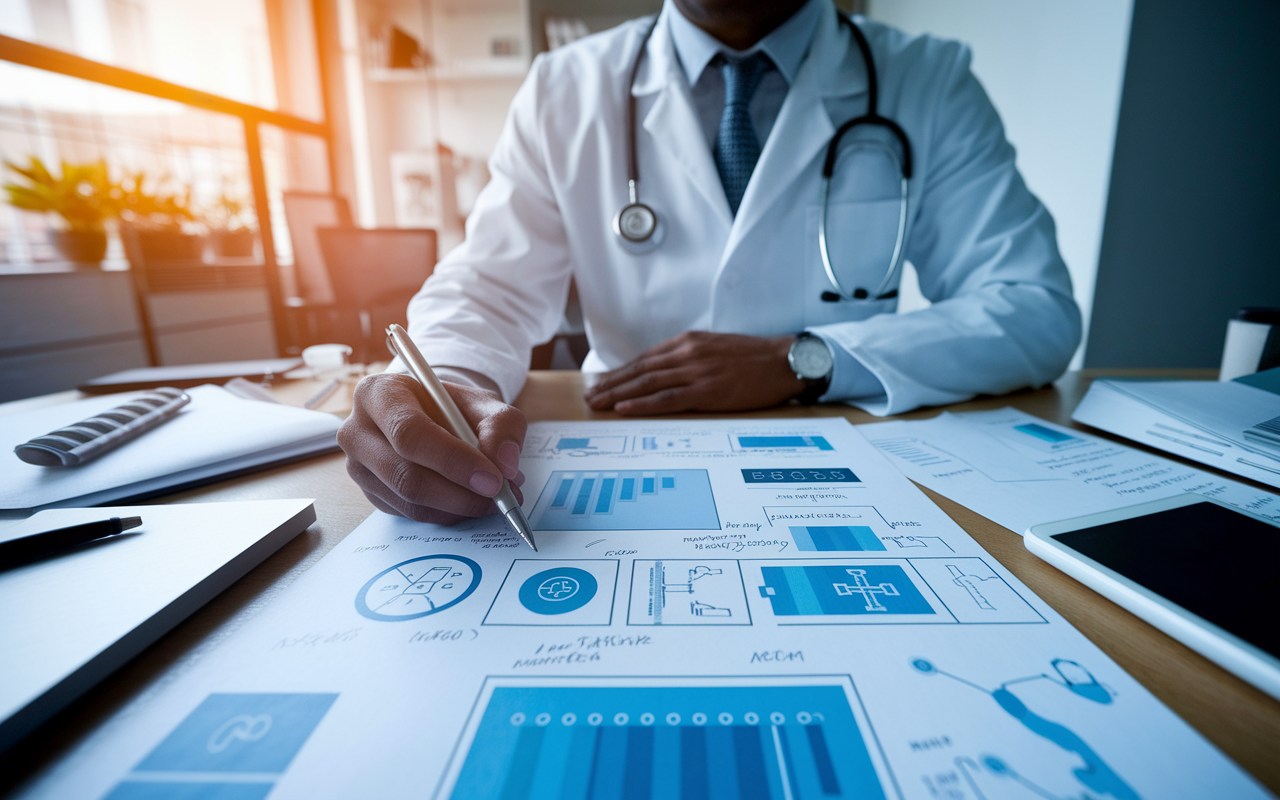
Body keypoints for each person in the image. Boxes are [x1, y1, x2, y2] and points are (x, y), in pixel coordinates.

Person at [337, 0, 1081, 524]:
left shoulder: (928, 78)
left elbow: (1032, 305)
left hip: (841, 462)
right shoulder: (564, 87)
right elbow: (488, 289)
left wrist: (804, 359)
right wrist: (450, 384)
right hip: (623, 457)